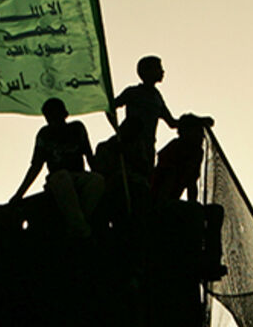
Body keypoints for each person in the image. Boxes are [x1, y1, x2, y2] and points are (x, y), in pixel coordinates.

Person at [10, 97, 105, 238]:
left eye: (55, 114)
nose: (52, 119)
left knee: (97, 180)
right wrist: (19, 194)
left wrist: (102, 178)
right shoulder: (44, 135)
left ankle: (77, 223)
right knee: (63, 177)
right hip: (58, 179)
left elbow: (89, 156)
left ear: (63, 114)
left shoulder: (77, 128)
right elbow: (36, 166)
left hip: (79, 176)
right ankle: (81, 230)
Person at [113, 56, 176, 171]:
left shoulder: (156, 97)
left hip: (148, 148)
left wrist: (197, 121)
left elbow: (172, 123)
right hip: (131, 147)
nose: (162, 72)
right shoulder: (133, 93)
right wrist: (118, 131)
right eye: (158, 68)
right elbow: (111, 107)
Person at [150, 113, 214, 205]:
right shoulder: (176, 147)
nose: (201, 136)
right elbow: (163, 176)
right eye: (198, 131)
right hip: (157, 198)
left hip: (171, 199)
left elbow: (192, 182)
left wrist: (192, 204)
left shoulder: (197, 152)